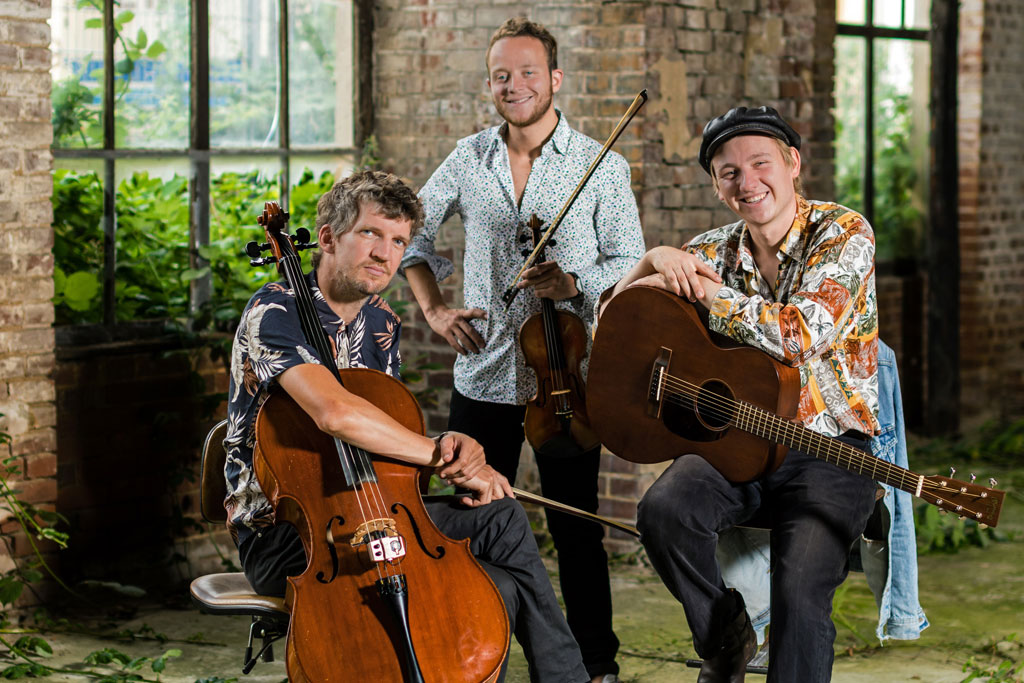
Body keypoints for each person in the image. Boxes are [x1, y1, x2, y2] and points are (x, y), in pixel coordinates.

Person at [223, 170, 590, 683]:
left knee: (502, 521)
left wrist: (448, 446)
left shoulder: (380, 321)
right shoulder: (273, 310)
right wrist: (433, 453)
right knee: (494, 592)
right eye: (370, 233)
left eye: (398, 241)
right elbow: (338, 415)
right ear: (328, 238)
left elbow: (381, 431)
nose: (385, 253)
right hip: (292, 535)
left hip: (368, 508)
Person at [401, 17, 646, 683]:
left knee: (577, 530)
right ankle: (467, 650)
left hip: (563, 379)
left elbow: (630, 268)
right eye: (502, 75)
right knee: (468, 517)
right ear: (490, 83)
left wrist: (574, 282)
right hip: (482, 373)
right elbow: (408, 237)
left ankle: (596, 663)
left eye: (528, 72)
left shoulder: (601, 165)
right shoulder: (468, 158)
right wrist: (434, 307)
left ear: (555, 79)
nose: (515, 85)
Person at [601, 106, 881, 682]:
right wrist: (651, 260)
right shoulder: (713, 249)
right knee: (664, 510)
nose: (747, 182)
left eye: (760, 164)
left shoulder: (844, 231)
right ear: (716, 185)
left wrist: (707, 298)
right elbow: (616, 322)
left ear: (792, 164)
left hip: (831, 451)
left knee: (799, 589)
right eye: (728, 172)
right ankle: (725, 637)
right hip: (742, 441)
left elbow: (796, 335)